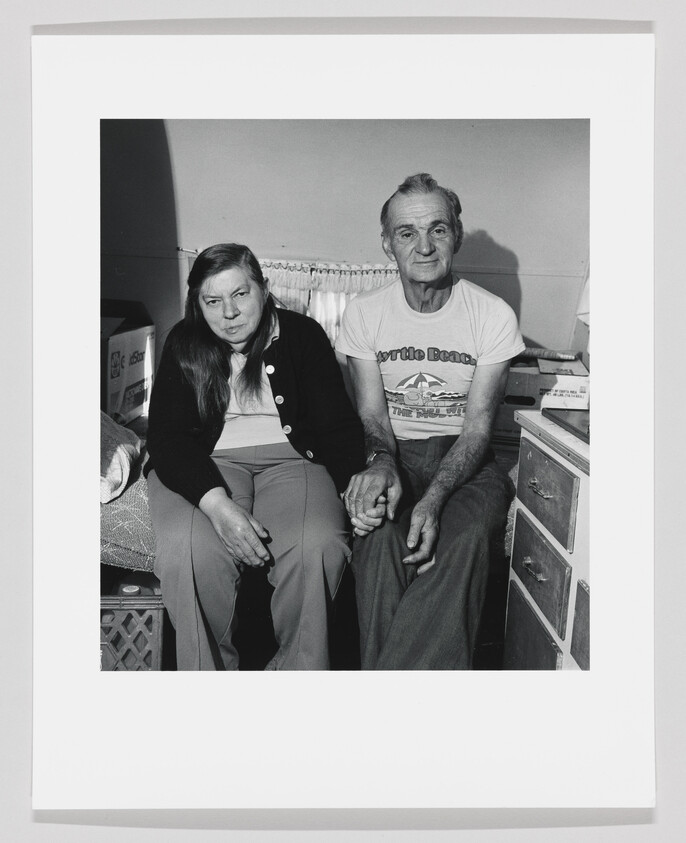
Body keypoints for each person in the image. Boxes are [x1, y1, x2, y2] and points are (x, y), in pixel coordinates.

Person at [335, 173, 525, 670]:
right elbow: (372, 415)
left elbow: (479, 430)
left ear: (456, 236)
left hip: (468, 461)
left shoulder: (493, 315)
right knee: (376, 544)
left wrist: (436, 499)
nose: (423, 246)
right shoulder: (364, 313)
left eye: (438, 230)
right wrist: (380, 463)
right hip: (393, 453)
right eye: (407, 233)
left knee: (463, 541)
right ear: (387, 244)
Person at [145, 243, 365, 670]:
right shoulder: (182, 342)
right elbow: (167, 439)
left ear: (263, 289)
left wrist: (355, 486)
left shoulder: (303, 335)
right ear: (198, 304)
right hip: (204, 464)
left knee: (317, 544)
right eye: (213, 301)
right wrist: (217, 505)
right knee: (186, 550)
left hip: (295, 460)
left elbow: (337, 426)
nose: (229, 313)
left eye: (240, 294)